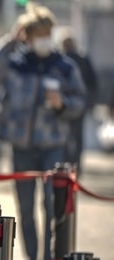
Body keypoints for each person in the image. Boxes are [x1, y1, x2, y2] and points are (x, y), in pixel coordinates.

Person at [0, 4, 85, 260]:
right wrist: (10, 40)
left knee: (51, 203)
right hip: (21, 145)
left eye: (46, 33)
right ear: (27, 35)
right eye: (36, 34)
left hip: (53, 144)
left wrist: (63, 105)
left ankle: (51, 258)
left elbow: (80, 102)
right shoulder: (15, 64)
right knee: (25, 206)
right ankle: (33, 258)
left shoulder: (64, 66)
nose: (42, 39)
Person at [60, 33, 97, 175]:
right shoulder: (82, 59)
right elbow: (92, 82)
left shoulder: (63, 60)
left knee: (66, 137)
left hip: (65, 106)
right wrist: (89, 102)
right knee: (77, 137)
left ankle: (66, 164)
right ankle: (76, 165)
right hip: (79, 105)